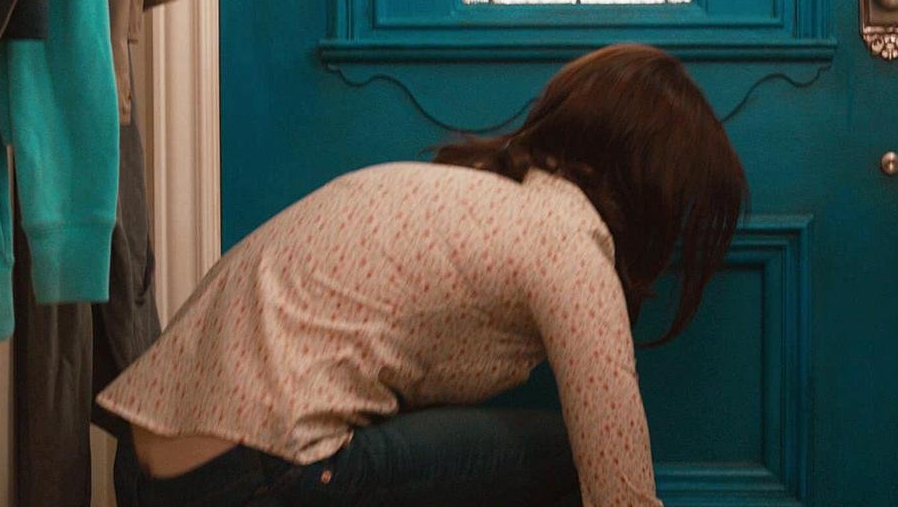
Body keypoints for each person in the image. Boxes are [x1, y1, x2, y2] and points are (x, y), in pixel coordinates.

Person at [97, 43, 748, 506]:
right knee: (560, 451)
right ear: (650, 194)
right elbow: (621, 493)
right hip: (253, 473)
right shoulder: (569, 248)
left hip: (143, 472)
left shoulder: (463, 195)